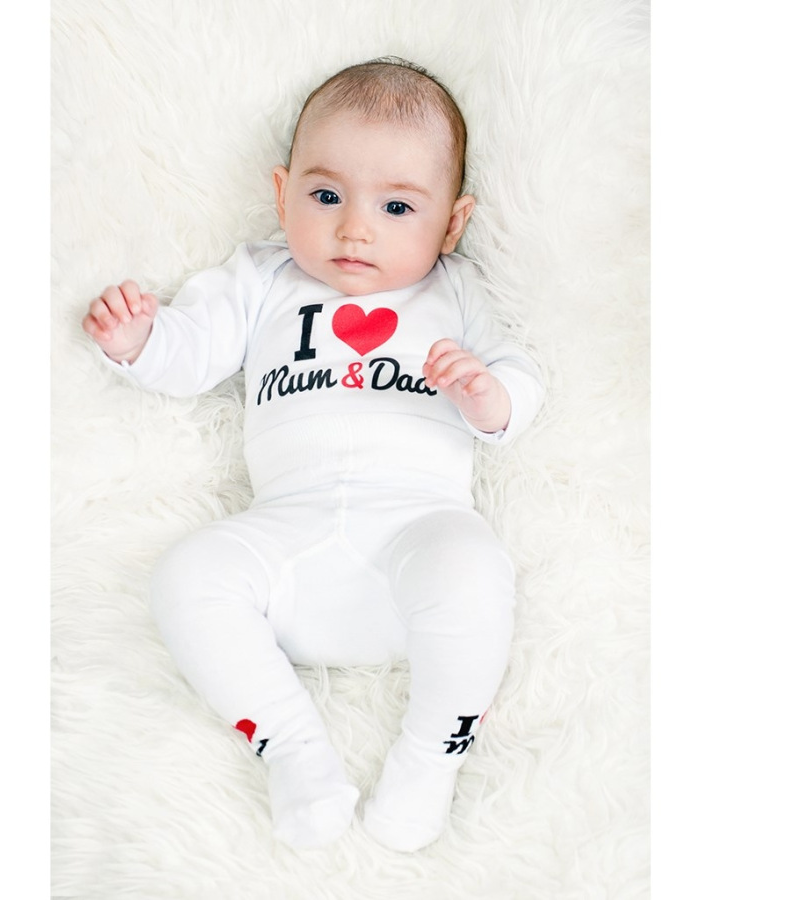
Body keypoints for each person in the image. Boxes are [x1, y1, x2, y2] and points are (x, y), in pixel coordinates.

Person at [82, 57, 543, 853]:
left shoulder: (458, 289)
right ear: (282, 192)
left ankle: (433, 754)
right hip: (285, 546)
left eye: (397, 206)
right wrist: (141, 340)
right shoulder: (261, 277)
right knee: (186, 575)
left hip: (415, 539)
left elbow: (521, 377)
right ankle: (294, 752)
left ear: (452, 223)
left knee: (474, 567)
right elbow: (195, 353)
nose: (355, 228)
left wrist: (485, 395)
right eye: (326, 197)